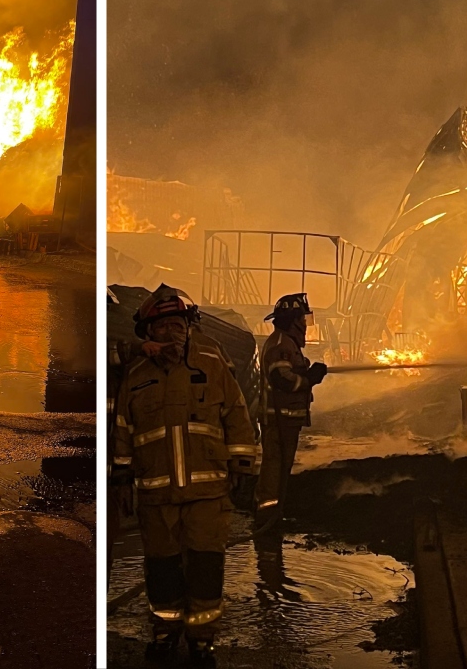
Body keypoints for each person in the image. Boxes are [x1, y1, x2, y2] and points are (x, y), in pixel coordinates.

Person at [111, 286, 257, 667]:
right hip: (156, 495)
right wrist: (121, 479)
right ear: (148, 333)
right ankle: (164, 633)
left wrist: (243, 464)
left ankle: (202, 640)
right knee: (162, 569)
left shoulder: (210, 362)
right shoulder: (137, 373)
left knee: (207, 567)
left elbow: (237, 415)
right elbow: (123, 428)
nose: (171, 333)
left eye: (177, 324)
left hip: (208, 491)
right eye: (162, 327)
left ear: (189, 327)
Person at [254, 293, 328, 530]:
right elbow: (281, 378)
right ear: (292, 321)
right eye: (302, 319)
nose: (305, 325)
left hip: (285, 419)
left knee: (280, 468)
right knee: (274, 469)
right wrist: (309, 380)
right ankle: (267, 518)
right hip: (278, 419)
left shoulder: (286, 342)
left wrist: (309, 375)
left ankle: (274, 514)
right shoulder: (281, 345)